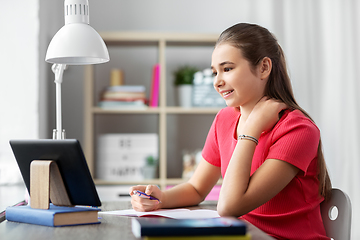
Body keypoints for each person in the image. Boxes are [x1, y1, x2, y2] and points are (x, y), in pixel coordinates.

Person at [129, 23, 332, 240]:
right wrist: (162, 198)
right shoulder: (224, 120)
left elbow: (229, 207)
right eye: (215, 72)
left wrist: (252, 128)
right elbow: (197, 188)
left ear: (264, 67)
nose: (217, 82)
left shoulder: (298, 130)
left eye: (227, 69)